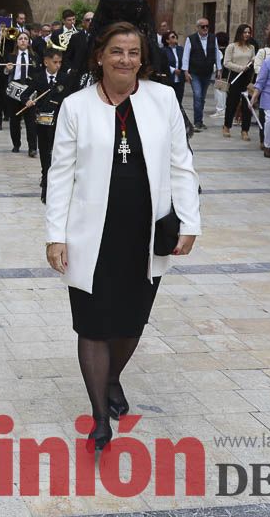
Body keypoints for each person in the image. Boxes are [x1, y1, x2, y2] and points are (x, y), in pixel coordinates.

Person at [45, 22, 201, 452]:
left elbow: (181, 163)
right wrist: (54, 235)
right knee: (93, 324)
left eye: (133, 52)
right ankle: (99, 418)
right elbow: (59, 174)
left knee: (132, 320)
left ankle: (112, 378)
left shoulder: (162, 98)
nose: (126, 60)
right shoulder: (75, 106)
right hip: (90, 234)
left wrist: (190, 221)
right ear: (99, 56)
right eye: (117, 51)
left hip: (144, 232)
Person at [22, 47, 70, 202]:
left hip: (59, 119)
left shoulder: (64, 78)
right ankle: (45, 175)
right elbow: (24, 94)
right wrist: (28, 101)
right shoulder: (38, 78)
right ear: (46, 62)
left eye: (60, 62)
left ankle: (55, 176)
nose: (58, 65)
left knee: (56, 149)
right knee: (43, 149)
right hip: (42, 121)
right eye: (55, 62)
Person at [180, 17, 222, 130]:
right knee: (197, 96)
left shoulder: (213, 38)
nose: (205, 29)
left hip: (207, 72)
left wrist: (219, 68)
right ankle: (197, 122)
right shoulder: (191, 39)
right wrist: (185, 71)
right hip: (195, 73)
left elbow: (216, 53)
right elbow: (186, 55)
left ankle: (200, 120)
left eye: (207, 26)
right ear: (198, 27)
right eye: (203, 26)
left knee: (202, 97)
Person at [4, 32, 38, 157]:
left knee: (31, 121)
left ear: (29, 42)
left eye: (25, 39)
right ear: (17, 42)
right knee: (14, 119)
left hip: (29, 89)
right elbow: (4, 73)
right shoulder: (11, 56)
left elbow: (38, 74)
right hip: (14, 88)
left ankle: (32, 148)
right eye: (20, 39)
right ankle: (16, 144)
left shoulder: (35, 57)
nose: (23, 41)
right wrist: (8, 69)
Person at [221, 24, 256, 140]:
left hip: (247, 78)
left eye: (248, 32)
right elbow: (226, 63)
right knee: (232, 103)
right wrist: (240, 68)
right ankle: (227, 126)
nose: (247, 35)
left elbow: (253, 61)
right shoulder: (232, 47)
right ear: (240, 33)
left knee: (247, 105)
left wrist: (251, 64)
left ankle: (245, 130)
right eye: (244, 32)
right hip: (235, 77)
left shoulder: (251, 48)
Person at [162, 31, 186, 103]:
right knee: (169, 100)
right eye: (173, 37)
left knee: (179, 100)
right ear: (167, 40)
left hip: (180, 79)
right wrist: (173, 70)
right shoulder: (163, 50)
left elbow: (185, 61)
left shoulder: (181, 49)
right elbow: (163, 64)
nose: (175, 37)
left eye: (175, 36)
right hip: (169, 79)